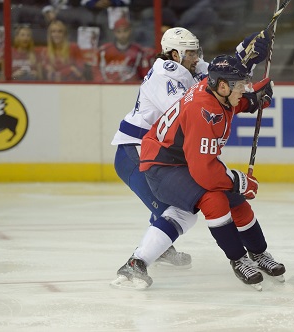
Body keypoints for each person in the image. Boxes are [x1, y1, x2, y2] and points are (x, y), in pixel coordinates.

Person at [110, 28, 273, 288]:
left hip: (166, 154)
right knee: (178, 208)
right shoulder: (165, 76)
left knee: (183, 207)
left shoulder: (186, 68)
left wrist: (245, 56)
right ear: (176, 54)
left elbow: (221, 77)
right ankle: (139, 260)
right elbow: (201, 107)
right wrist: (248, 99)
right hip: (137, 151)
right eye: (192, 52)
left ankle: (150, 253)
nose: (197, 57)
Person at [96, 17, 154, 82]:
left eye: (125, 31)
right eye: (119, 32)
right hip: (108, 89)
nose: (122, 35)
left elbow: (144, 75)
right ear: (114, 32)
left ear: (130, 30)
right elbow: (97, 73)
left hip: (130, 89)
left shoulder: (138, 51)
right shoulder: (104, 51)